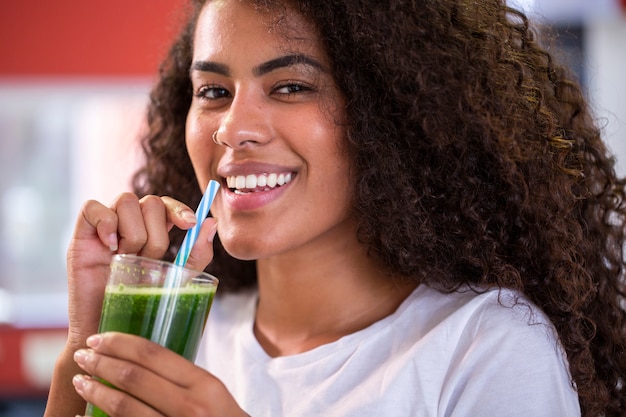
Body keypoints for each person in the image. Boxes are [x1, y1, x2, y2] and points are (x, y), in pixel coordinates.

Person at [44, 0, 626, 416]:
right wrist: (87, 343)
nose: (233, 130)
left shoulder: (486, 348)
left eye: (292, 86)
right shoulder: (184, 332)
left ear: (391, 114)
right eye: (214, 92)